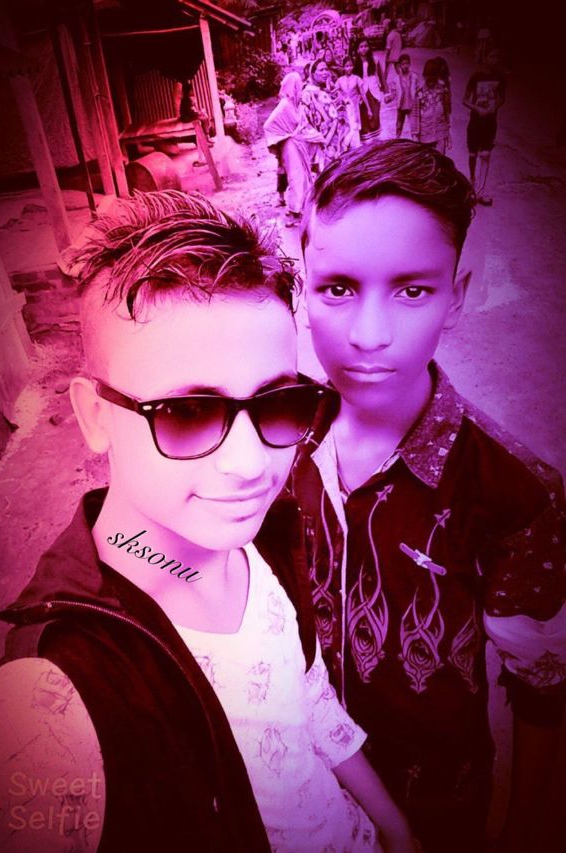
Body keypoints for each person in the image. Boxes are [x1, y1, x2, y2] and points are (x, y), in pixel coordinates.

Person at [0, 191, 418, 853]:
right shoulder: (54, 700)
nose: (251, 464)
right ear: (95, 416)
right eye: (187, 414)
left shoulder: (266, 540)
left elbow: (308, 701)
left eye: (277, 403)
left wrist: (397, 830)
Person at [294, 139, 566, 853]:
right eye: (337, 288)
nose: (369, 335)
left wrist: (524, 832)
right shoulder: (273, 435)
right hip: (297, 785)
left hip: (437, 802)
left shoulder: (515, 491)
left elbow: (541, 686)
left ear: (457, 295)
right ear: (302, 287)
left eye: (412, 290)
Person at [264, 71, 315, 228]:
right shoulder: (285, 105)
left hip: (297, 144)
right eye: (298, 84)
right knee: (295, 178)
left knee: (303, 176)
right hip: (290, 146)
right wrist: (284, 135)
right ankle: (293, 212)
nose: (301, 87)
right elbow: (268, 125)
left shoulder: (295, 104)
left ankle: (300, 209)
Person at [463, 48, 506, 205]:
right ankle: (472, 182)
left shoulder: (501, 78)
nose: (494, 60)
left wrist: (495, 107)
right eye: (492, 56)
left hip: (490, 122)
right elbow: (465, 99)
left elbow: (502, 98)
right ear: (485, 58)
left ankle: (481, 191)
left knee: (486, 155)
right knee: (473, 155)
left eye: (497, 57)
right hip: (475, 121)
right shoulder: (476, 77)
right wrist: (477, 108)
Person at [298, 59, 341, 172]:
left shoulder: (322, 91)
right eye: (321, 70)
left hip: (331, 145)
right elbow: (304, 123)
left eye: (326, 69)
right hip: (319, 147)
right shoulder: (307, 94)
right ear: (312, 74)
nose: (325, 72)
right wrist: (322, 141)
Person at [352, 39, 387, 144]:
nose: (364, 49)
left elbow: (381, 76)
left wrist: (386, 92)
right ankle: (367, 140)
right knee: (364, 114)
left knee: (375, 114)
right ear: (357, 49)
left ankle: (376, 139)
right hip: (361, 91)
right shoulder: (354, 62)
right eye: (361, 47)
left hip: (373, 90)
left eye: (366, 46)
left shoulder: (375, 60)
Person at [412, 59, 451, 154]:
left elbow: (446, 112)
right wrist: (415, 134)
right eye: (428, 79)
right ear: (424, 76)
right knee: (427, 160)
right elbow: (415, 115)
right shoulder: (419, 92)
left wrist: (448, 135)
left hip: (440, 132)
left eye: (433, 79)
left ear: (437, 76)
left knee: (440, 159)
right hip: (424, 134)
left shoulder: (443, 90)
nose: (431, 82)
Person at [334, 56, 371, 152]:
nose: (349, 68)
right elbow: (336, 93)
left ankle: (356, 149)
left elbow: (363, 94)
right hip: (344, 110)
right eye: (346, 66)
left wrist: (369, 109)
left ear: (353, 66)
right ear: (343, 67)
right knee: (347, 128)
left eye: (350, 66)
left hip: (354, 109)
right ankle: (345, 148)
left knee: (354, 128)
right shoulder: (340, 80)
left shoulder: (357, 79)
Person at [391, 54, 419, 138]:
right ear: (400, 65)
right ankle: (397, 139)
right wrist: (389, 98)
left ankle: (415, 140)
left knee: (414, 125)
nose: (405, 66)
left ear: (410, 64)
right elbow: (393, 93)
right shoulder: (396, 79)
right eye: (403, 64)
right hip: (401, 105)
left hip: (412, 105)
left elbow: (418, 90)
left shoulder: (414, 77)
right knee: (399, 125)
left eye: (407, 63)